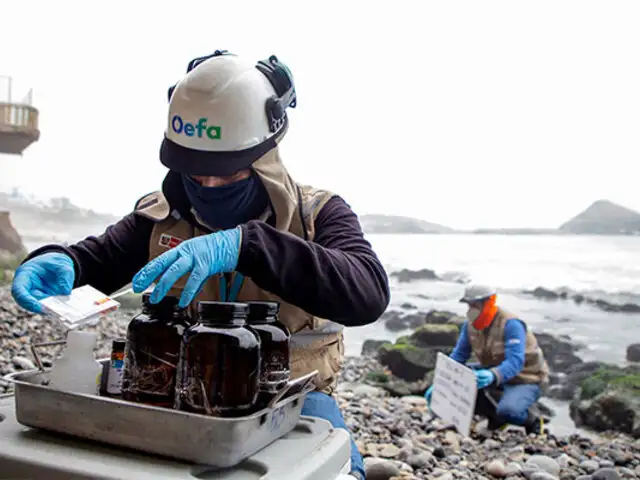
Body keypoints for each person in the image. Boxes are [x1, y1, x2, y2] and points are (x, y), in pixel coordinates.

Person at [10, 50, 390, 479]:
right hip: (185, 403)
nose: (208, 185)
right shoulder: (161, 217)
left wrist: (248, 245)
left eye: (226, 173)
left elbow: (368, 293)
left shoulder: (318, 214)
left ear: (262, 159)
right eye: (195, 171)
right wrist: (63, 261)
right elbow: (100, 258)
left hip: (294, 402)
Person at [424, 284, 549, 434]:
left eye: (475, 305)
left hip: (525, 378)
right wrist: (442, 383)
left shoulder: (511, 324)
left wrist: (492, 375)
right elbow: (459, 356)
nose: (471, 310)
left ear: (489, 302)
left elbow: (515, 362)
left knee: (509, 411)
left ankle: (532, 419)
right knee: (465, 388)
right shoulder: (470, 325)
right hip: (493, 372)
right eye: (469, 306)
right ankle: (495, 417)